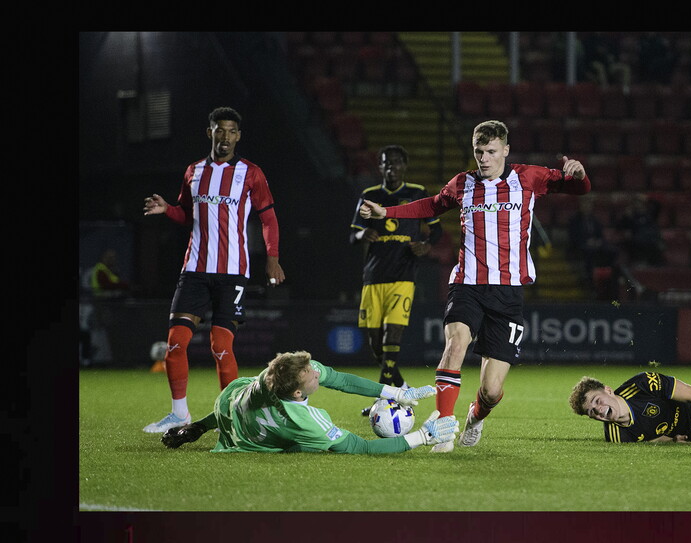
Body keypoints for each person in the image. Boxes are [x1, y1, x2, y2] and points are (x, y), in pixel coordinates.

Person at [358, 119, 592, 452]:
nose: (483, 158)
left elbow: (578, 189)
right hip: (467, 283)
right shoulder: (462, 184)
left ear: (505, 150)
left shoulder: (529, 177)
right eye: (478, 151)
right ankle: (442, 424)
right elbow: (431, 205)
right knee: (455, 345)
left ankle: (475, 417)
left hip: (508, 292)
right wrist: (387, 212)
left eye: (491, 151)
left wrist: (580, 176)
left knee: (492, 390)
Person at [141, 106, 286, 434]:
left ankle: (230, 418)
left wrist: (272, 258)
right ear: (210, 133)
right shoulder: (194, 171)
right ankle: (179, 414)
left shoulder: (251, 173)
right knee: (176, 341)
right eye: (219, 130)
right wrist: (168, 210)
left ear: (238, 135)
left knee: (221, 345)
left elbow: (269, 219)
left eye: (231, 131)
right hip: (194, 269)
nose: (225, 136)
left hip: (232, 273)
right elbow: (186, 214)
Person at [160, 350, 458, 453]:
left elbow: (340, 379)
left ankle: (197, 428)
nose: (318, 373)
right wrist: (423, 436)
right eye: (312, 375)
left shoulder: (275, 374)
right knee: (304, 443)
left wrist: (396, 394)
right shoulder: (307, 421)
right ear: (299, 394)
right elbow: (363, 447)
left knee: (235, 407)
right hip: (250, 440)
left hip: (230, 407)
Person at [349, 145, 442, 416]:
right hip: (374, 275)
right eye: (387, 163)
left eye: (397, 163)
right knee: (376, 345)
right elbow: (352, 234)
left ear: (405, 165)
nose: (392, 167)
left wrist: (425, 245)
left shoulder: (416, 193)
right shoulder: (369, 196)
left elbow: (436, 231)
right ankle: (402, 388)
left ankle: (382, 398)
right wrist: (360, 236)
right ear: (380, 166)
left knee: (393, 337)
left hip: (404, 274)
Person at [566, 194, 618, 284]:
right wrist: (586, 241)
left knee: (612, 250)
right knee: (588, 252)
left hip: (595, 244)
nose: (587, 207)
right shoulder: (574, 220)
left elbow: (600, 234)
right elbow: (573, 237)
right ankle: (589, 278)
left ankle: (610, 276)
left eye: (589, 204)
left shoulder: (595, 219)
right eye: (584, 204)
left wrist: (598, 241)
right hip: (581, 245)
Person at [612, 193, 664, 268]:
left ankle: (654, 265)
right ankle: (641, 262)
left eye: (640, 202)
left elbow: (658, 205)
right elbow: (619, 227)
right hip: (637, 239)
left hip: (650, 238)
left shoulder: (649, 214)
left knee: (656, 242)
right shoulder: (631, 216)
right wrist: (626, 216)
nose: (638, 205)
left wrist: (648, 197)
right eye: (636, 202)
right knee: (638, 240)